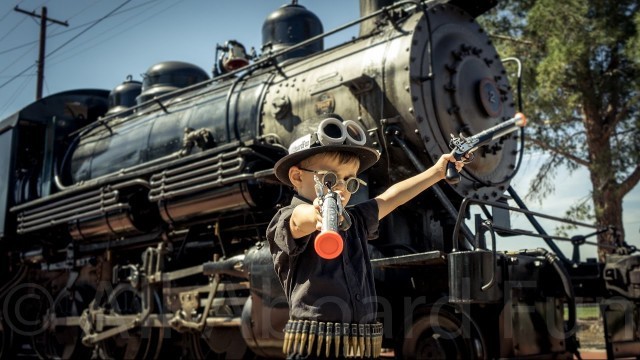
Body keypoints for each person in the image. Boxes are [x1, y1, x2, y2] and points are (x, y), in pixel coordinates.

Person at [267, 116, 466, 359]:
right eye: (330, 178)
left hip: (358, 346)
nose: (340, 188)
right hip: (314, 349)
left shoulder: (356, 220)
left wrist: (437, 172)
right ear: (297, 177)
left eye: (350, 182)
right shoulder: (287, 218)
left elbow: (392, 197)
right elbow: (298, 220)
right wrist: (318, 213)